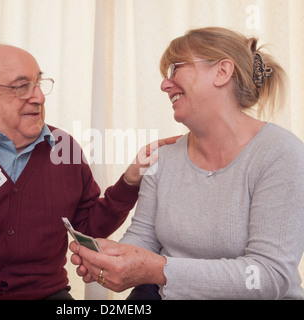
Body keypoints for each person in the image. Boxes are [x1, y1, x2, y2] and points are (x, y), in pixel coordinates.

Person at [0, 44, 177, 300]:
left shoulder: (65, 148)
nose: (38, 97)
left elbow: (87, 231)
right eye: (22, 87)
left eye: (38, 83)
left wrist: (128, 183)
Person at [70, 27, 304, 300]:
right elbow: (143, 239)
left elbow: (267, 276)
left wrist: (161, 270)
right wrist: (113, 260)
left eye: (175, 68)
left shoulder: (281, 153)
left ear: (222, 72)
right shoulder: (164, 157)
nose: (164, 84)